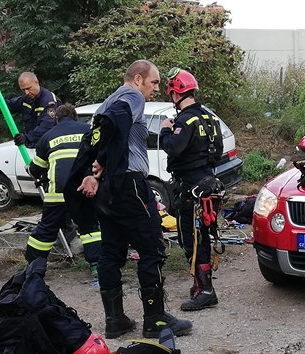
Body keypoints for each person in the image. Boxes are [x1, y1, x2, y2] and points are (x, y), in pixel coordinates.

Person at [68, 60, 192, 339]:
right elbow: (119, 118)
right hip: (130, 184)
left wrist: (96, 167)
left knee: (111, 252)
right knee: (152, 249)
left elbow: (96, 137)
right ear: (138, 79)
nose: (157, 89)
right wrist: (108, 161)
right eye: (155, 82)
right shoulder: (131, 97)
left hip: (108, 189)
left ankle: (115, 320)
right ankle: (155, 320)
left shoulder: (104, 104)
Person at [159, 67, 224, 311]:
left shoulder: (185, 120)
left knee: (192, 239)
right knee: (203, 236)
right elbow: (216, 152)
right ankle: (201, 286)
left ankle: (205, 290)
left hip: (191, 188)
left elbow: (173, 148)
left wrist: (166, 129)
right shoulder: (209, 118)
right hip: (209, 183)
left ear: (176, 94)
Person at [25, 103, 102, 275]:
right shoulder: (87, 130)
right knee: (90, 227)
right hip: (83, 189)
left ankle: (33, 266)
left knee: (46, 229)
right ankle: (96, 266)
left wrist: (28, 168)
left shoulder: (47, 137)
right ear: (75, 117)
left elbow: (36, 170)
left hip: (57, 193)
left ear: (56, 120)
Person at [0, 72, 61, 148]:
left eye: (29, 88)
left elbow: (46, 127)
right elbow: (5, 106)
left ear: (36, 82)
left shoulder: (49, 101)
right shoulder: (26, 99)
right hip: (34, 147)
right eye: (23, 90)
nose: (26, 93)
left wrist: (27, 137)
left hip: (51, 147)